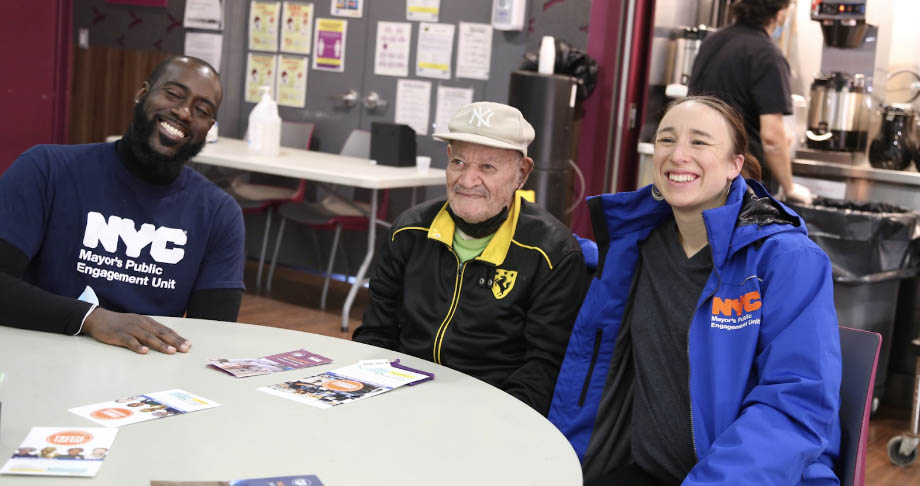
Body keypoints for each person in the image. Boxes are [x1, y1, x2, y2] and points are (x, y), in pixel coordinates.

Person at [548, 96, 841, 485]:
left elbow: (795, 403)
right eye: (667, 140)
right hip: (643, 471)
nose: (678, 155)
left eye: (700, 142)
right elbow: (578, 258)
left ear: (735, 165)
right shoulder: (634, 246)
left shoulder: (788, 259)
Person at [0, 56, 245, 355]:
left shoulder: (220, 213)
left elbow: (213, 337)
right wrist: (90, 319)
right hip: (39, 356)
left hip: (143, 378)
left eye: (202, 110)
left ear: (209, 127)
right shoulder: (45, 169)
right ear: (142, 94)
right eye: (173, 94)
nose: (183, 112)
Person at [352, 102, 585, 415]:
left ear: (522, 173)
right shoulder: (408, 231)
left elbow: (544, 367)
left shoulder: (552, 253)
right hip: (400, 399)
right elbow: (375, 334)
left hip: (489, 411)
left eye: (487, 167)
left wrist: (497, 424)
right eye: (459, 162)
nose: (467, 180)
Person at [688, 0, 813, 204]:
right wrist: (790, 188)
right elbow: (772, 139)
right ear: (780, 13)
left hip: (700, 173)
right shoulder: (767, 55)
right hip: (740, 185)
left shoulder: (712, 42)